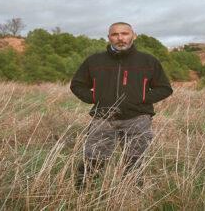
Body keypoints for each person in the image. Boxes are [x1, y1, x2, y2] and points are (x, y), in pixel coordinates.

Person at [70, 22, 173, 188]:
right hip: (103, 118)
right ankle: (83, 195)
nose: (120, 38)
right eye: (115, 34)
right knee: (93, 160)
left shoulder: (148, 61)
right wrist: (95, 97)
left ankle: (131, 197)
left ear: (133, 35)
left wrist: (142, 98)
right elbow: (77, 85)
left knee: (134, 162)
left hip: (138, 118)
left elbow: (165, 88)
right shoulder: (94, 61)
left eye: (125, 33)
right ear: (109, 37)